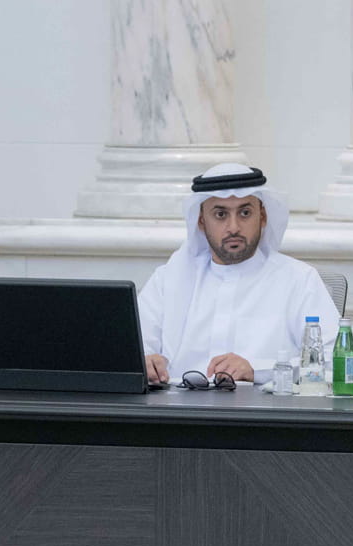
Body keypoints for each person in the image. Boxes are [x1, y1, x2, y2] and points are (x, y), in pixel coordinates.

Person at [138, 164, 340, 385]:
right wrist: (145, 361)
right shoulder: (168, 280)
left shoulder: (299, 279)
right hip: (176, 404)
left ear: (262, 216)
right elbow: (135, 345)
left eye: (245, 213)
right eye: (220, 214)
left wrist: (257, 370)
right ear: (201, 221)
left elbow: (333, 360)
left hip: (262, 405)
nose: (233, 227)